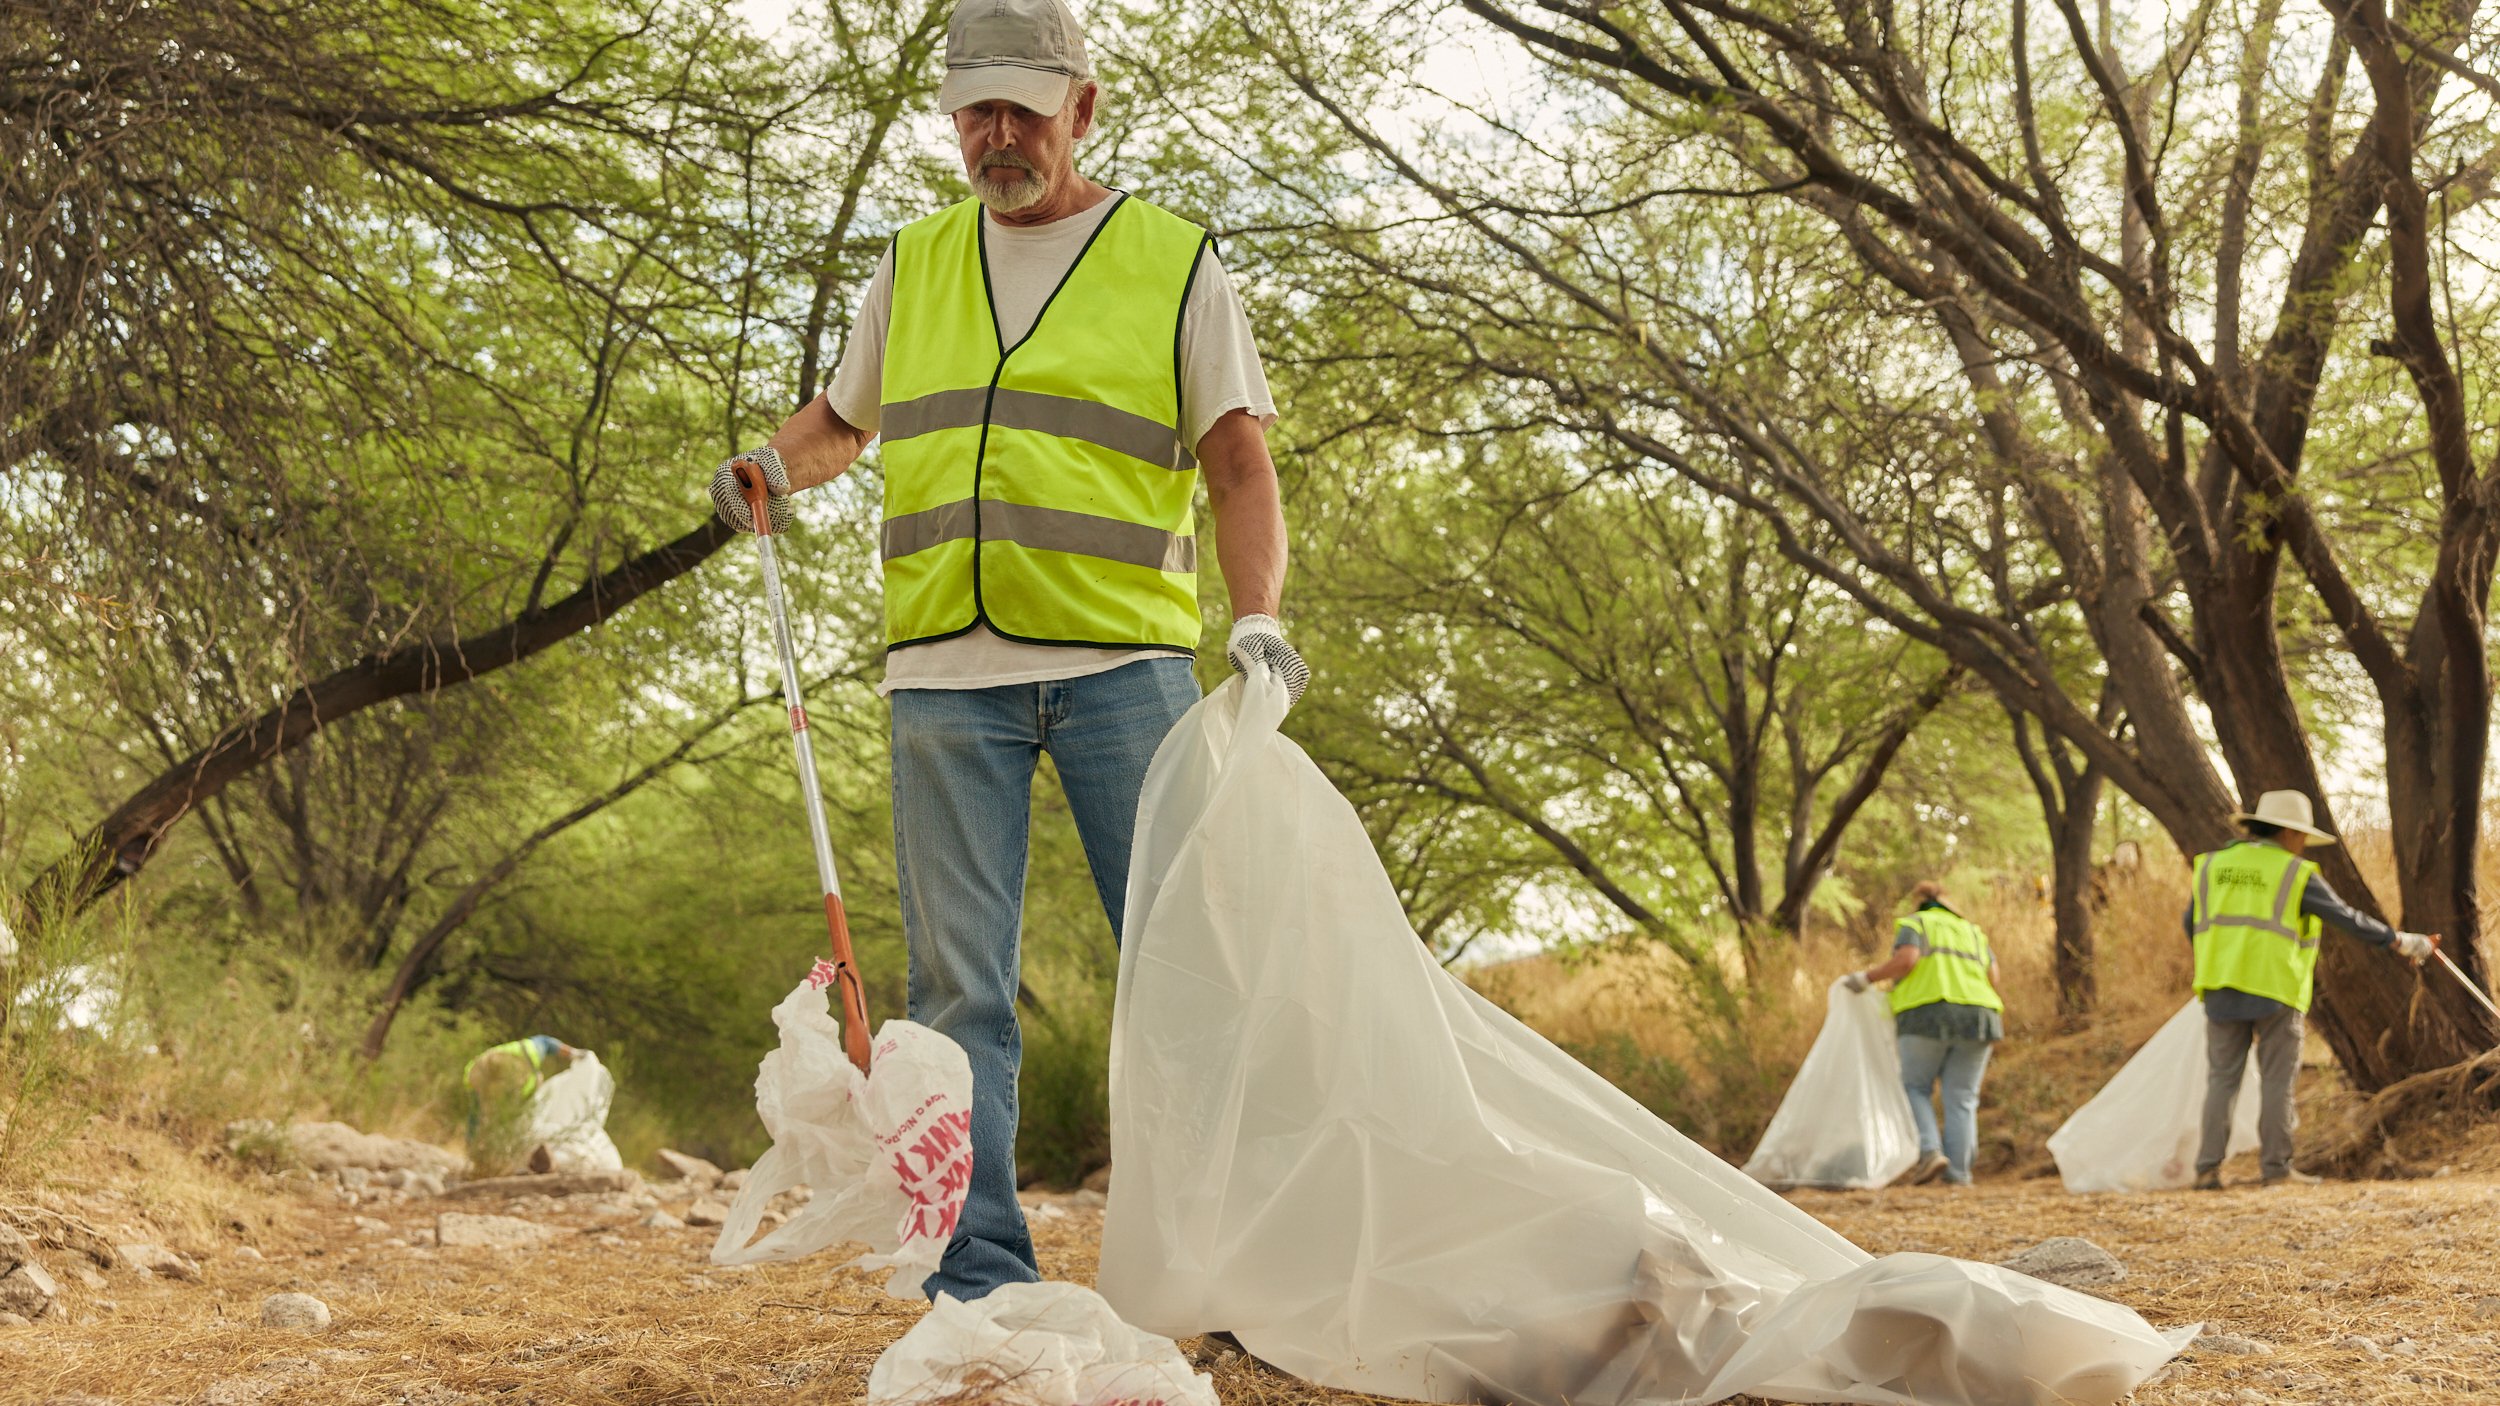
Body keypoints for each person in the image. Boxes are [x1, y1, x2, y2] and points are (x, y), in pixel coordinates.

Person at [706, 0, 1298, 1303]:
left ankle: (1232, 1276)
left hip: (1122, 674)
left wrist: (1257, 620)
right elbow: (842, 422)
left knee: (1188, 979)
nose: (999, 133)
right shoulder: (912, 264)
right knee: (957, 998)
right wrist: (773, 466)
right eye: (978, 109)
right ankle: (978, 1274)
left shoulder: (1172, 261)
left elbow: (1240, 460)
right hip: (941, 683)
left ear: (1081, 109)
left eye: (1026, 108)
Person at [2183, 791, 2436, 1189]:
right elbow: (2346, 918)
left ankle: (2206, 1170)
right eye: (2301, 836)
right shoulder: (2293, 873)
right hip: (2274, 987)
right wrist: (2399, 940)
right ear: (2286, 832)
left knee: (2222, 1080)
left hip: (2220, 984)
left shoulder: (2213, 866)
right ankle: (2276, 1170)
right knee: (2277, 1081)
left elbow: (2190, 923)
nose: (2302, 844)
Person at [1845, 881, 2001, 1187]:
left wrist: (1866, 978)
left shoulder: (1915, 924)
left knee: (1916, 1087)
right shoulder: (1972, 931)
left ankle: (1930, 1152)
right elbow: (1993, 977)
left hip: (1926, 1015)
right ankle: (1959, 1175)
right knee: (1963, 1097)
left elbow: (1906, 960)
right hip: (1979, 1017)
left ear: (1918, 901)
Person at [463, 1035, 582, 1144]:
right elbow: (547, 1042)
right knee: (491, 1118)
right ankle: (479, 1146)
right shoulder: (528, 1077)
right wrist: (573, 1053)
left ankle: (474, 1146)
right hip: (526, 1059)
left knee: (480, 1116)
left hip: (522, 1061)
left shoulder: (477, 1078)